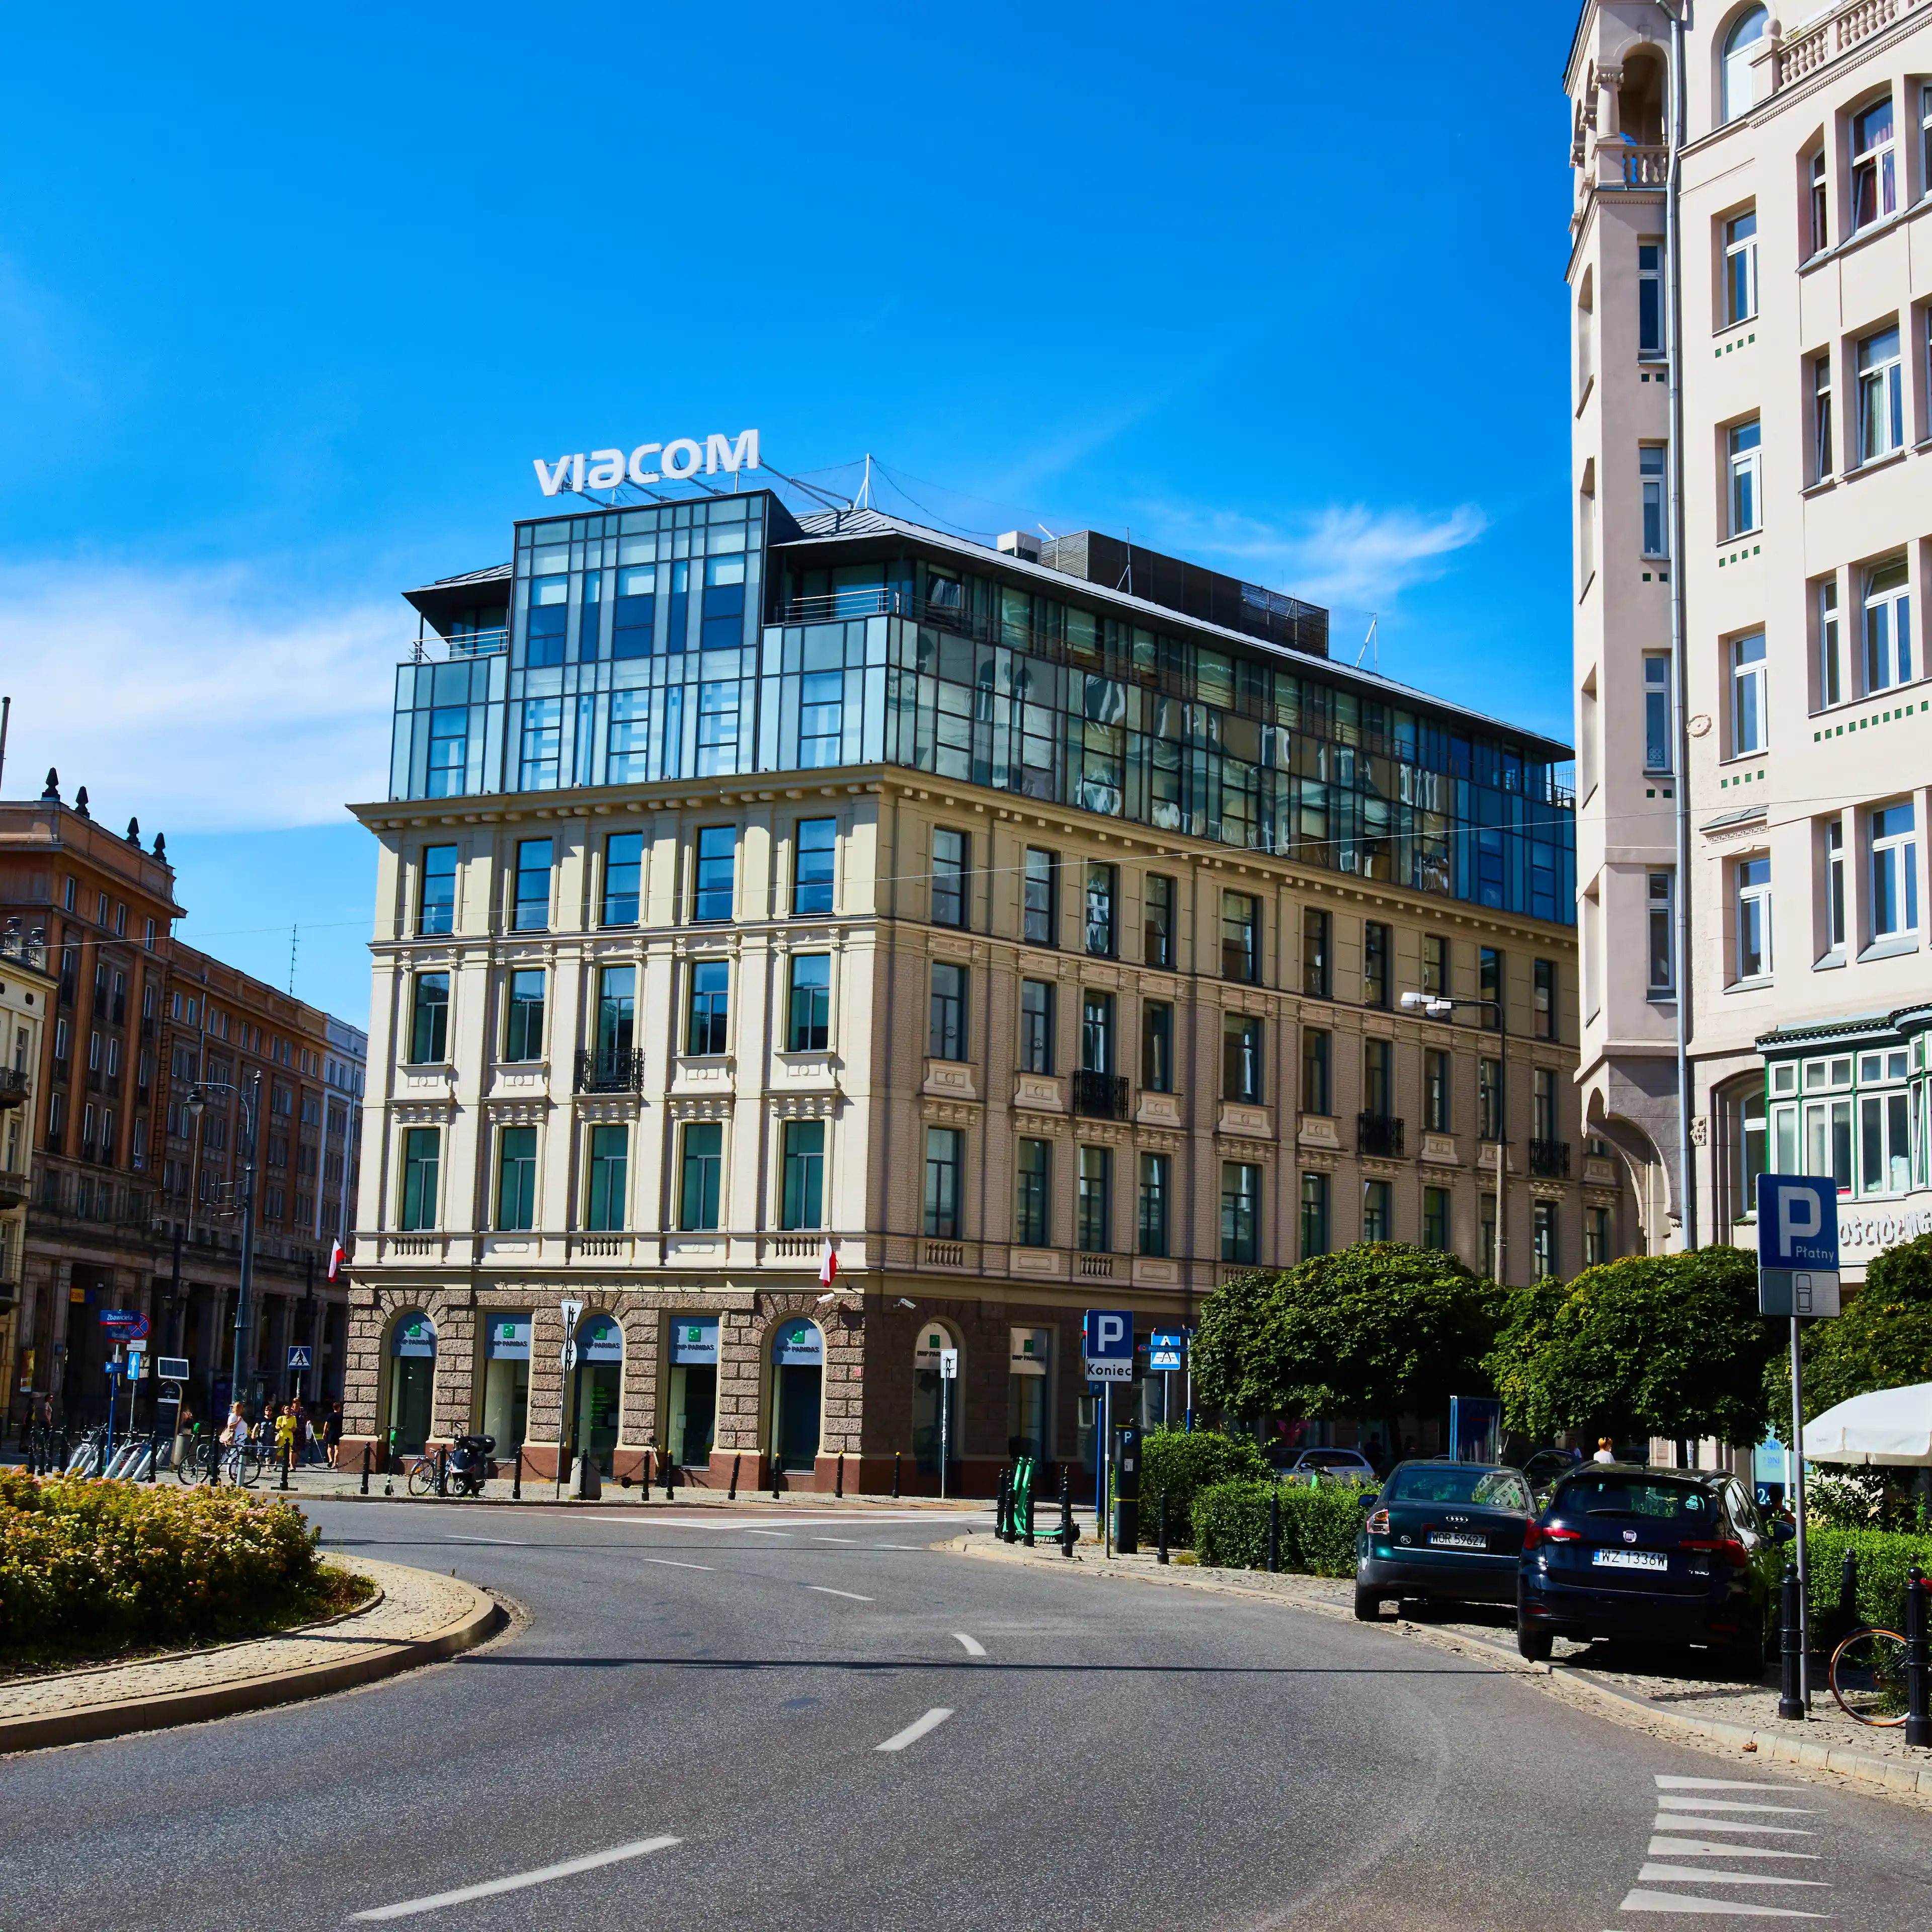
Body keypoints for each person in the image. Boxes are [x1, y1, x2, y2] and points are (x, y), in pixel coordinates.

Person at [323, 1401, 344, 1469]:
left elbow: (326, 1425)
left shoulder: (330, 1415)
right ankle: (335, 1463)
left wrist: (324, 1433)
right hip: (338, 1433)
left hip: (331, 1433)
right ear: (339, 1408)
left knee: (329, 1447)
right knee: (337, 1449)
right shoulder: (341, 1416)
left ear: (333, 1408)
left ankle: (330, 1460)